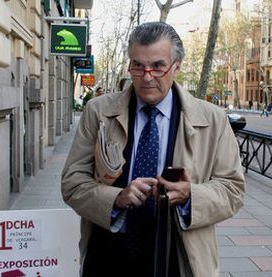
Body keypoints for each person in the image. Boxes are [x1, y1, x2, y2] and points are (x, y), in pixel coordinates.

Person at [61, 22, 245, 277]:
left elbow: (233, 190)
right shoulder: (98, 112)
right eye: (138, 66)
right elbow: (72, 183)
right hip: (108, 254)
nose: (147, 76)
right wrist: (115, 199)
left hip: (178, 257)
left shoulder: (213, 119)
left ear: (176, 67)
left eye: (157, 66)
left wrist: (190, 196)